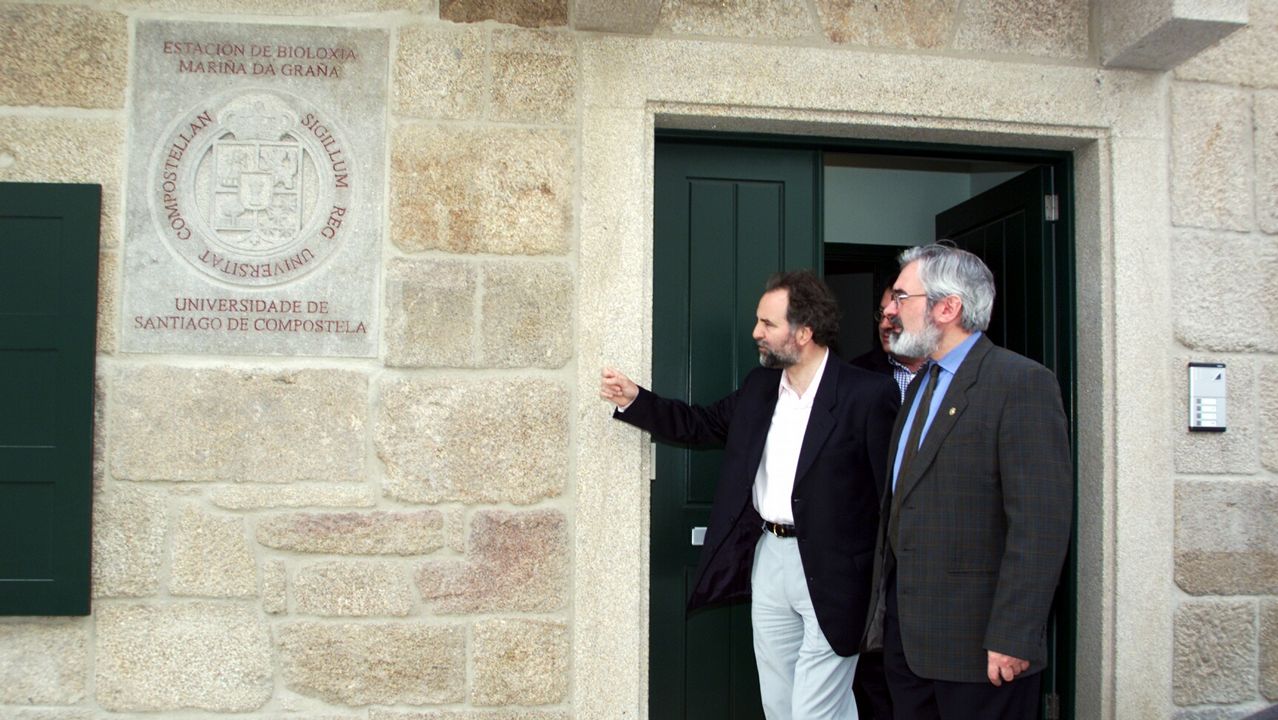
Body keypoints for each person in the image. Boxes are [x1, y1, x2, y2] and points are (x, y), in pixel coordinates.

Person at [601, 270, 899, 720]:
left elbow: (889, 496)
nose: (756, 332)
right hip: (770, 559)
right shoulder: (760, 388)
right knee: (779, 703)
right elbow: (699, 424)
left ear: (804, 331)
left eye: (768, 323)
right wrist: (635, 399)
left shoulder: (867, 393)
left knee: (817, 709)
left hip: (838, 571)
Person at [861, 244, 1073, 720]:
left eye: (901, 297)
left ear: (948, 307)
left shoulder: (1020, 383)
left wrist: (1014, 635)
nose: (890, 311)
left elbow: (1040, 524)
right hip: (909, 646)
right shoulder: (918, 385)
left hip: (981, 652)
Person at [847, 285, 925, 720]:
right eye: (880, 312)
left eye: (896, 311)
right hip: (873, 555)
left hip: (932, 563)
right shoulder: (856, 375)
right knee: (874, 679)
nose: (885, 321)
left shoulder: (951, 380)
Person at [850, 287, 927, 402]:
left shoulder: (946, 368)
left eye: (894, 318)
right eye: (882, 315)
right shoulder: (858, 372)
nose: (883, 325)